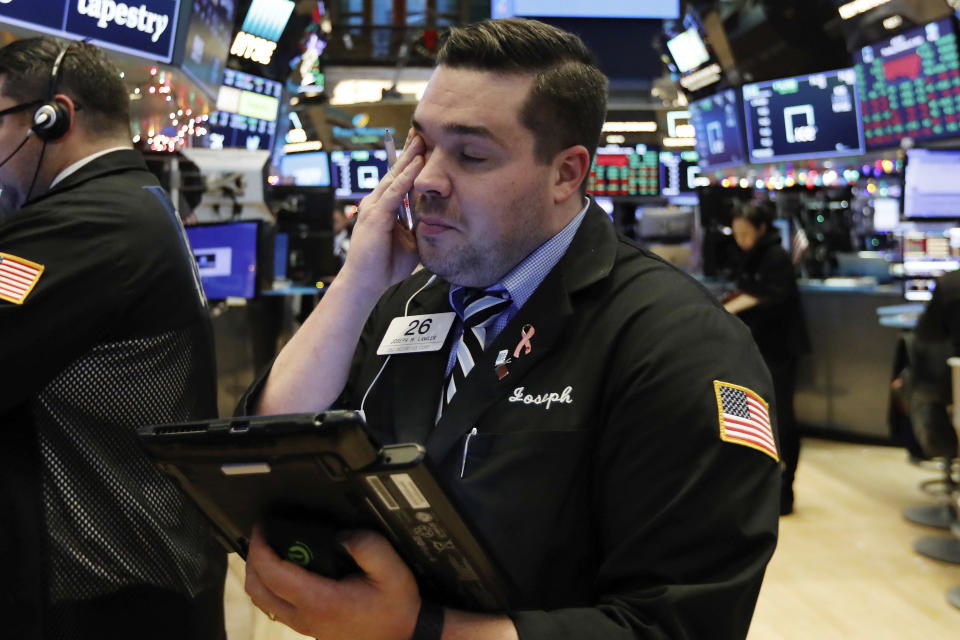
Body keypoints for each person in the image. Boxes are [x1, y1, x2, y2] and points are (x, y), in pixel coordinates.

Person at [240, 18, 780, 639]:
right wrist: (356, 282)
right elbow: (268, 447)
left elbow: (676, 625)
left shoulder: (678, 343)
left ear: (566, 174)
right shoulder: (403, 301)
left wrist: (423, 632)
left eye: (471, 155)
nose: (425, 181)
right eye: (420, 147)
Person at [0, 38, 226, 638]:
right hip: (135, 571)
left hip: (107, 590)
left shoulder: (89, 223)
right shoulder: (131, 199)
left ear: (53, 118)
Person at [724, 202, 809, 515]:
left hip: (778, 349)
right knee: (748, 417)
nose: (741, 240)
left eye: (746, 233)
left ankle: (784, 489)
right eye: (737, 235)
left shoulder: (774, 256)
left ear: (760, 229)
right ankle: (756, 486)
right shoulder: (750, 256)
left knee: (781, 420)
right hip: (753, 348)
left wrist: (745, 304)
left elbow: (776, 298)